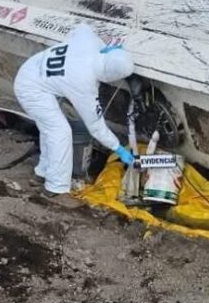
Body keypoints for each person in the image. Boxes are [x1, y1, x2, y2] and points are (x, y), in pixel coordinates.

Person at [13, 23, 136, 202]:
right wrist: (118, 148)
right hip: (30, 88)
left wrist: (104, 47)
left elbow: (82, 27)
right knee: (60, 131)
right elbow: (96, 127)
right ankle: (56, 187)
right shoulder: (84, 83)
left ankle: (42, 172)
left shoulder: (89, 42)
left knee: (50, 128)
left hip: (33, 70)